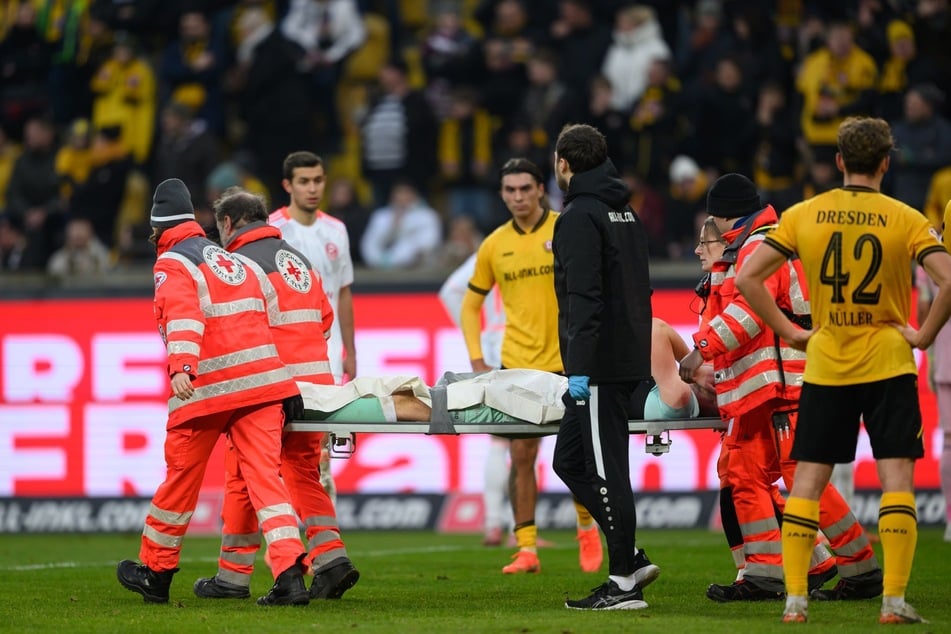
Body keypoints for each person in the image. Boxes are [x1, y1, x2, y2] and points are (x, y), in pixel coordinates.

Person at [734, 116, 951, 624]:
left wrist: (789, 332)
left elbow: (748, 276)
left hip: (827, 361)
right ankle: (894, 602)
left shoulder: (805, 214)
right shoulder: (907, 218)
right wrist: (922, 334)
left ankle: (794, 601)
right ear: (885, 163)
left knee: (806, 482)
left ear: (838, 162)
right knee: (898, 481)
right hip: (888, 361)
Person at [679, 176, 880, 603]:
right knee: (743, 476)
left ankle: (860, 567)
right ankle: (767, 573)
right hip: (760, 389)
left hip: (781, 386)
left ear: (723, 213)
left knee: (798, 477)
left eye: (710, 219)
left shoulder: (758, 246)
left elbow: (749, 313)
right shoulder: (749, 245)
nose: (706, 230)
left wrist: (700, 350)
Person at [116, 178, 310, 606]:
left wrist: (182, 367)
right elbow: (267, 315)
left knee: (181, 479)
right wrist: (285, 379)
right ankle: (291, 575)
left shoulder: (172, 262)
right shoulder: (231, 258)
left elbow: (182, 314)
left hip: (208, 387)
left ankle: (157, 572)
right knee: (266, 482)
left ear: (157, 229)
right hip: (262, 384)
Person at [192, 187, 359, 601]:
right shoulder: (299, 259)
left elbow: (236, 328)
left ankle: (240, 575)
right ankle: (331, 557)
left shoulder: (235, 263)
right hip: (316, 384)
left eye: (219, 230)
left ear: (228, 224)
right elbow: (324, 319)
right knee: (302, 471)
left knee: (246, 472)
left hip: (268, 386)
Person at [460, 157, 603, 575]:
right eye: (510, 190)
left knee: (578, 458)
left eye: (526, 188)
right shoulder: (494, 244)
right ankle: (526, 549)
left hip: (568, 361)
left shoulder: (567, 226)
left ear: (541, 189)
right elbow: (471, 306)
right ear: (502, 194)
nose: (518, 197)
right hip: (518, 365)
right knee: (521, 455)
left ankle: (586, 527)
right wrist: (476, 360)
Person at [550, 123, 657, 611]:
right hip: (625, 354)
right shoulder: (625, 213)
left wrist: (579, 368)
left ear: (563, 164)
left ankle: (622, 583)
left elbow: (584, 299)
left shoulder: (578, 217)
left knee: (608, 469)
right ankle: (630, 557)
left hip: (598, 366)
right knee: (568, 460)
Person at [269, 151, 357, 502]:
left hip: (329, 353)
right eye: (304, 181)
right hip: (286, 352)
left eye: (318, 180)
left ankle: (321, 523)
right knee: (282, 438)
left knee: (322, 441)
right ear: (288, 185)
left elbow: (344, 292)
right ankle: (284, 520)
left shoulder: (336, 230)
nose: (312, 188)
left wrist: (351, 350)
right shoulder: (273, 231)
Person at [439, 252, 512, 547]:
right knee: (524, 440)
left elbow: (451, 290)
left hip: (495, 344)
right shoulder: (528, 243)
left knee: (502, 439)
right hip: (526, 344)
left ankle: (495, 522)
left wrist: (479, 334)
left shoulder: (493, 246)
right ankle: (516, 527)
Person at [917, 198, 951, 542]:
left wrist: (926, 346)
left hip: (946, 353)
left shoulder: (930, 255)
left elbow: (925, 308)